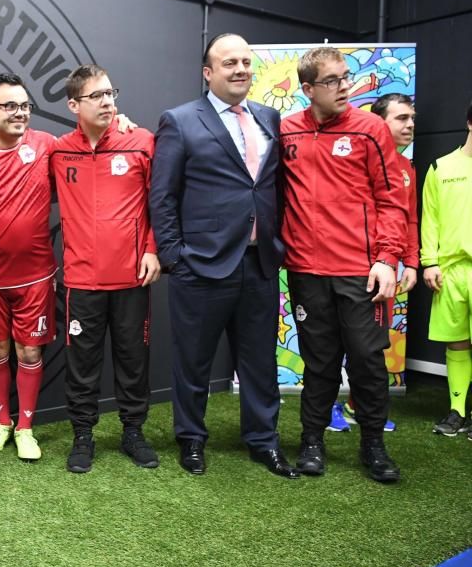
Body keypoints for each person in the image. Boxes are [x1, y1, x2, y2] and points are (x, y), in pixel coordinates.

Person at [149, 34, 297, 478]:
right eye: (229, 62)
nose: (240, 70)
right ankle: (191, 440)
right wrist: (175, 256)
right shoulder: (180, 121)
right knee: (193, 361)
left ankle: (263, 440)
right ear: (207, 73)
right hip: (202, 265)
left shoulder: (270, 117)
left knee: (260, 361)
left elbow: (273, 188)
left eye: (246, 62)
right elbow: (163, 195)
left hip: (259, 264)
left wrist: (279, 244)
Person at [279, 46, 407, 483]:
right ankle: (311, 440)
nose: (344, 86)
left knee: (368, 359)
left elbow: (393, 200)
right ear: (308, 88)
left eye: (346, 77)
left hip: (360, 269)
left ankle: (373, 442)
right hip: (305, 269)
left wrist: (388, 259)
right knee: (319, 360)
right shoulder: (286, 132)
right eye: (332, 81)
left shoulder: (371, 130)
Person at [49, 64, 161, 474]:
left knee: (134, 360)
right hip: (81, 280)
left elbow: (160, 204)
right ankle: (82, 435)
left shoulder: (142, 142)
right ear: (73, 104)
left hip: (132, 275)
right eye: (97, 96)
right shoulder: (58, 150)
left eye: (111, 93)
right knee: (82, 365)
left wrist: (152, 249)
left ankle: (134, 431)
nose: (108, 102)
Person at [0, 73, 57, 461]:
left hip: (36, 276)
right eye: (9, 105)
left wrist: (118, 122)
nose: (19, 112)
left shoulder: (47, 146)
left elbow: (91, 147)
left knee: (30, 352)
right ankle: (2, 423)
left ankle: (25, 429)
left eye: (24, 105)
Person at [329, 93, 418, 433]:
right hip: (343, 265)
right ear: (379, 122)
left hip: (383, 268)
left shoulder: (407, 168)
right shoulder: (355, 155)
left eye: (412, 118)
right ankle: (332, 406)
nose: (409, 124)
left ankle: (358, 404)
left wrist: (409, 262)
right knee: (329, 343)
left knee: (370, 344)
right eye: (401, 118)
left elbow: (407, 218)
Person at [422, 100, 472, 438]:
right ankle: (457, 411)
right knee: (457, 343)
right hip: (451, 270)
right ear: (470, 122)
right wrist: (430, 261)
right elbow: (431, 220)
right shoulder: (441, 168)